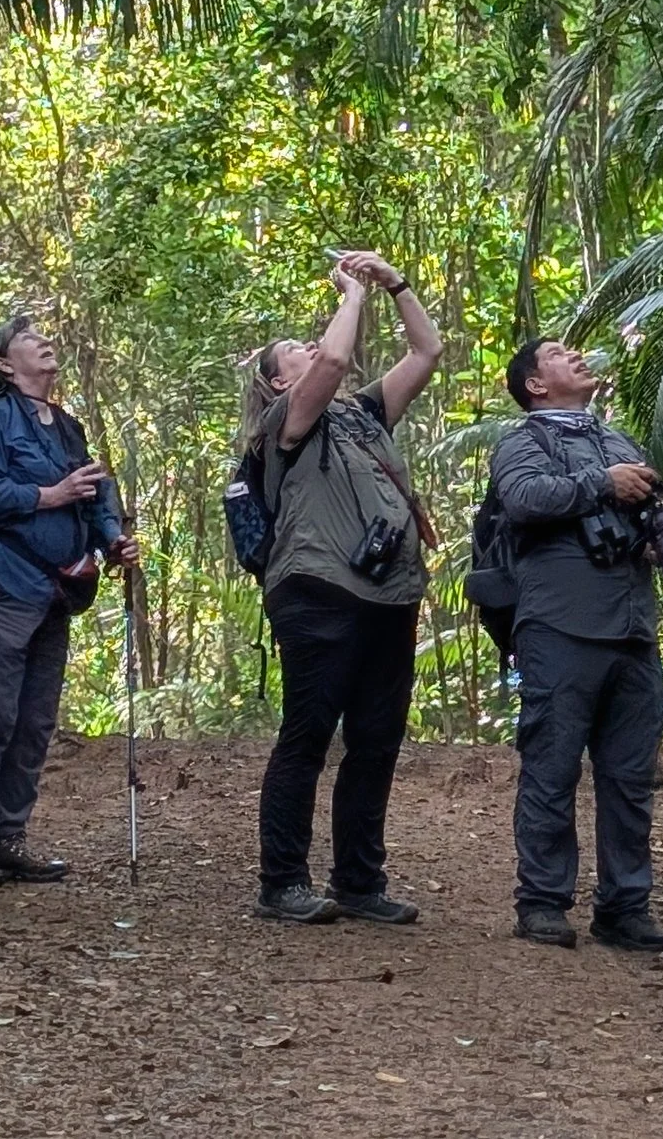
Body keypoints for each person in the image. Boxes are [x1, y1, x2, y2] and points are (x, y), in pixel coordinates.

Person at [243, 251, 443, 926]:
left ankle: (359, 881)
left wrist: (395, 283)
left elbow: (427, 350)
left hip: (390, 595)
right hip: (318, 590)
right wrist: (350, 294)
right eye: (295, 349)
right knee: (308, 734)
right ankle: (283, 883)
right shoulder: (284, 427)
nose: (314, 347)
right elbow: (329, 364)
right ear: (277, 383)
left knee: (377, 739)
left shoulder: (362, 417)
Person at [0, 315, 140, 887]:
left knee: (35, 720)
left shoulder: (67, 427)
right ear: (5, 364)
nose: (44, 342)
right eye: (28, 339)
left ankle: (9, 837)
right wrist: (49, 495)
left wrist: (111, 538)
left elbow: (97, 490)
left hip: (57, 589)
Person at [490, 337, 663, 954]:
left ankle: (625, 907)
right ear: (535, 385)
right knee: (552, 767)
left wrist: (653, 538)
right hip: (560, 626)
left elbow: (647, 507)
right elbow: (523, 499)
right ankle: (541, 902)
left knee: (629, 776)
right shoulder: (523, 441)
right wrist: (603, 483)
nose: (577, 356)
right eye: (559, 353)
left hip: (632, 628)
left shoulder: (618, 440)